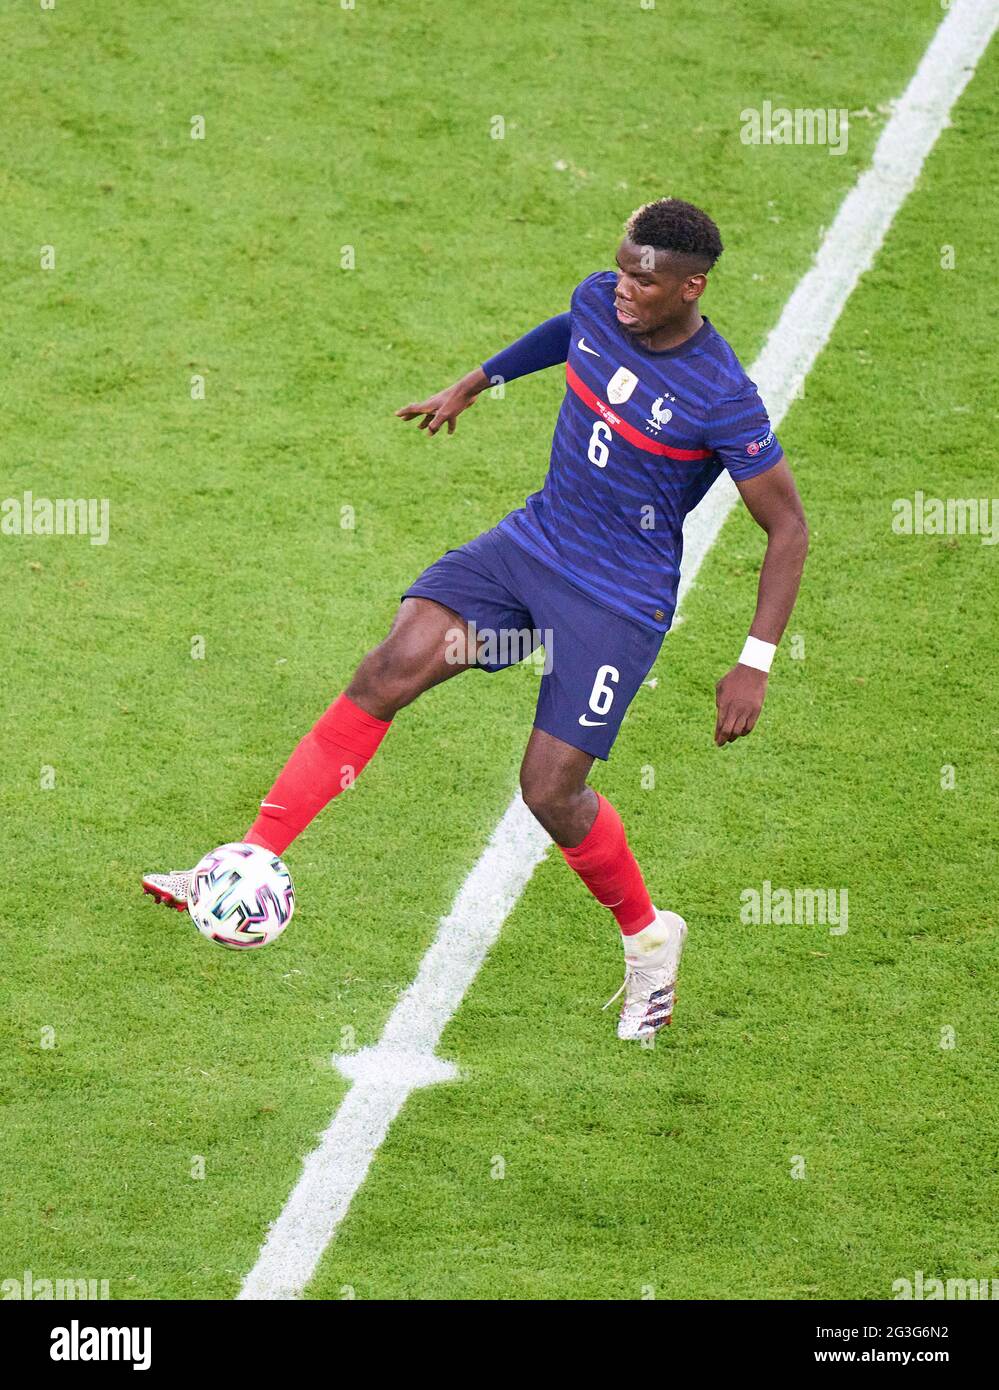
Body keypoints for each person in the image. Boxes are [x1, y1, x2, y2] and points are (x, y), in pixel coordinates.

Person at [143, 197, 808, 1041]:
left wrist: (753, 661)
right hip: (528, 553)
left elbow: (787, 527)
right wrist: (477, 380)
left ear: (690, 287)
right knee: (389, 669)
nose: (620, 291)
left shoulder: (721, 396)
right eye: (620, 269)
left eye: (642, 282)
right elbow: (565, 330)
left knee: (550, 791)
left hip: (614, 600)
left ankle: (647, 939)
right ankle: (244, 863)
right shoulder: (598, 300)